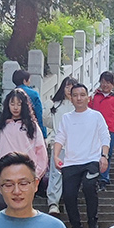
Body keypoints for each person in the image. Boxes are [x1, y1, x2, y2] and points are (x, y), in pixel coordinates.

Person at [53, 82, 110, 228]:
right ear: (71, 98)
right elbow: (60, 137)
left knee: (89, 187)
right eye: (75, 95)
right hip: (71, 162)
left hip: (91, 160)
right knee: (68, 195)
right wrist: (56, 156)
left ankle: (93, 225)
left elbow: (105, 136)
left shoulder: (96, 116)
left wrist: (104, 156)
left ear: (88, 97)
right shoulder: (66, 118)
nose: (79, 98)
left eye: (82, 95)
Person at [0, 89, 48, 202]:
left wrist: (37, 173)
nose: (15, 108)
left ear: (24, 106)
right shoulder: (1, 128)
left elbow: (41, 151)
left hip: (25, 173)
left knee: (23, 206)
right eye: (12, 104)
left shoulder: (32, 127)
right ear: (7, 105)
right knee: (3, 205)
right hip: (3, 172)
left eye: (19, 104)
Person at [45, 76, 77, 216]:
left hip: (76, 146)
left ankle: (70, 199)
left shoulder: (79, 107)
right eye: (67, 86)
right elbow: (47, 120)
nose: (69, 89)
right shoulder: (55, 105)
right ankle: (53, 202)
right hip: (59, 145)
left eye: (72, 86)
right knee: (56, 174)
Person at [90, 71, 114, 187]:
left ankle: (104, 178)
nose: (105, 85)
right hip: (94, 130)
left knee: (107, 154)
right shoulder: (93, 97)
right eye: (103, 82)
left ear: (113, 84)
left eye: (108, 82)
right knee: (95, 153)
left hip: (111, 130)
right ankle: (95, 176)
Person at [11, 69, 47, 137]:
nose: (30, 81)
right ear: (24, 80)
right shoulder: (33, 94)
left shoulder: (11, 94)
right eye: (29, 79)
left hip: (14, 129)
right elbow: (39, 114)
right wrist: (43, 133)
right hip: (30, 128)